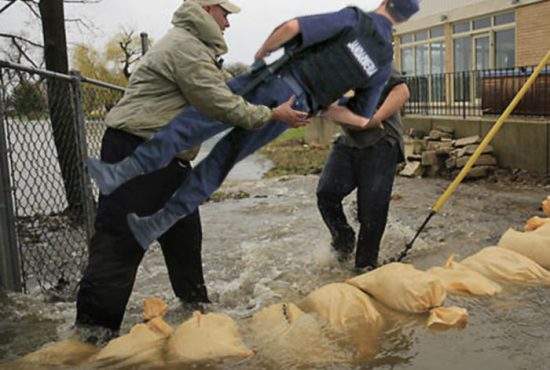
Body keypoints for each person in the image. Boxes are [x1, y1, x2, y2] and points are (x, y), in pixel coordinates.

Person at [85, 0, 420, 251]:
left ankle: (120, 173)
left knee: (195, 122)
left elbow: (292, 27)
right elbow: (361, 117)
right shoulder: (383, 60)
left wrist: (263, 52)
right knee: (221, 162)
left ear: (386, 2)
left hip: (276, 81)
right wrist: (325, 109)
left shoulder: (356, 19)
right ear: (405, 18)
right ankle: (154, 225)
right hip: (299, 106)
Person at [75, 0, 307, 342]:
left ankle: (195, 318)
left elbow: (233, 88)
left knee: (185, 241)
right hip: (138, 152)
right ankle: (90, 341)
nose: (228, 24)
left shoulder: (198, 50)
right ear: (206, 8)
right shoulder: (184, 46)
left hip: (170, 162)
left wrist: (285, 85)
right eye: (225, 14)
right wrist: (271, 116)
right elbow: (219, 102)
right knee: (120, 245)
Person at [317, 69, 410, 272]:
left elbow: (401, 91)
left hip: (382, 140)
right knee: (326, 193)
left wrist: (375, 119)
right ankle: (344, 239)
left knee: (371, 209)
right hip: (350, 140)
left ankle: (365, 267)